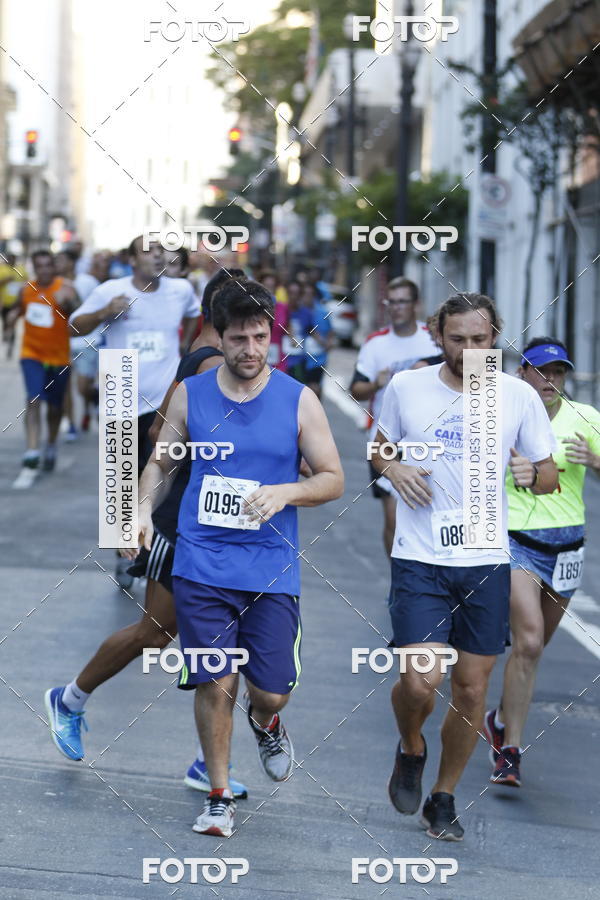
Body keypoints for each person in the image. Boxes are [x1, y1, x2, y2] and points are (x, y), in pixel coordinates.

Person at [128, 277, 344, 836]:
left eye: (260, 338)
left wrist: (288, 492)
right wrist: (140, 509)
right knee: (215, 681)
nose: (251, 350)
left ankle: (268, 721)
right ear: (216, 338)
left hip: (270, 568)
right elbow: (162, 463)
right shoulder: (191, 395)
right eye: (239, 339)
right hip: (201, 562)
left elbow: (333, 478)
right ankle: (218, 795)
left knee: (270, 689)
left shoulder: (299, 398)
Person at [44, 268, 250, 799]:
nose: (256, 337)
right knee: (156, 633)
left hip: (227, 528)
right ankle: (68, 699)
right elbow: (161, 432)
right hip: (184, 523)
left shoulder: (231, 361)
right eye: (246, 324)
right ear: (221, 320)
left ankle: (210, 762)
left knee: (219, 645)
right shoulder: (207, 363)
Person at [370, 292, 558, 841]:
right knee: (421, 681)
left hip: (484, 559)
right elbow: (379, 450)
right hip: (421, 556)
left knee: (472, 691)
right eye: (459, 340)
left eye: (481, 340)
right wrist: (395, 467)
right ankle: (411, 747)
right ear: (437, 335)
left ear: (495, 336)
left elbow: (548, 473)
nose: (471, 350)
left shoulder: (517, 396)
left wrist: (530, 472)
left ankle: (444, 796)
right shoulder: (407, 387)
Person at [484, 337, 600, 787]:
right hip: (517, 543)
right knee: (528, 642)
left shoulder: (586, 418)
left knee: (535, 650)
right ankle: (510, 751)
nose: (550, 380)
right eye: (541, 371)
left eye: (558, 372)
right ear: (523, 374)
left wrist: (595, 460)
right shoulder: (505, 417)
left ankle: (498, 719)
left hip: (568, 547)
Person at [68, 235, 200, 586]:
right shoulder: (111, 290)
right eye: (149, 252)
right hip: (120, 395)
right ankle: (123, 554)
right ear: (131, 259)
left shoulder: (180, 291)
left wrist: (183, 352)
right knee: (122, 483)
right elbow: (74, 325)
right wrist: (104, 312)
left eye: (163, 251)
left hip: (164, 403)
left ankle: (150, 549)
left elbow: (192, 316)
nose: (159, 257)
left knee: (159, 474)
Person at [351, 278, 438, 556]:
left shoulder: (433, 338)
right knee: (394, 516)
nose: (397, 308)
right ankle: (399, 582)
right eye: (392, 302)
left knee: (429, 513)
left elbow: (469, 365)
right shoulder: (376, 344)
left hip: (431, 439)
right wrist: (376, 382)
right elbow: (356, 390)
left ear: (416, 305)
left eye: (403, 301)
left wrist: (428, 366)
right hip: (387, 441)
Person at [9, 250, 79, 488]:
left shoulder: (66, 287)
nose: (45, 270)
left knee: (55, 407)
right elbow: (18, 310)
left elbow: (77, 313)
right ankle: (31, 451)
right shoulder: (26, 289)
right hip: (32, 355)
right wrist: (11, 320)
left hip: (59, 358)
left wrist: (67, 302)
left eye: (48, 265)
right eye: (39, 266)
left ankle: (50, 443)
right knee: (33, 398)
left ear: (54, 267)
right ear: (34, 267)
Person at [55, 249, 102, 439]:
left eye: (61, 260)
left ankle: (91, 403)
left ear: (72, 262)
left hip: (86, 342)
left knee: (83, 386)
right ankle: (71, 423)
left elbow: (98, 307)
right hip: (61, 344)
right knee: (64, 385)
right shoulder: (54, 284)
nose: (57, 264)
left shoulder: (88, 282)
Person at [301, 282, 333, 399]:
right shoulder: (298, 311)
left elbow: (330, 332)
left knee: (314, 389)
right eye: (304, 294)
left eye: (310, 294)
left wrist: (328, 343)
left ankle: (316, 413)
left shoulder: (323, 312)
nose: (307, 297)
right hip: (300, 357)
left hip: (318, 359)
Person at [0, 252, 26, 359]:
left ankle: (11, 344)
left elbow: (27, 282)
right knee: (6, 322)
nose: (10, 261)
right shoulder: (2, 270)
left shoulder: (21, 270)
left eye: (12, 259)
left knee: (13, 323)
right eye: (8, 259)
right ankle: (6, 334)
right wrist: (6, 280)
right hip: (4, 302)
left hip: (16, 303)